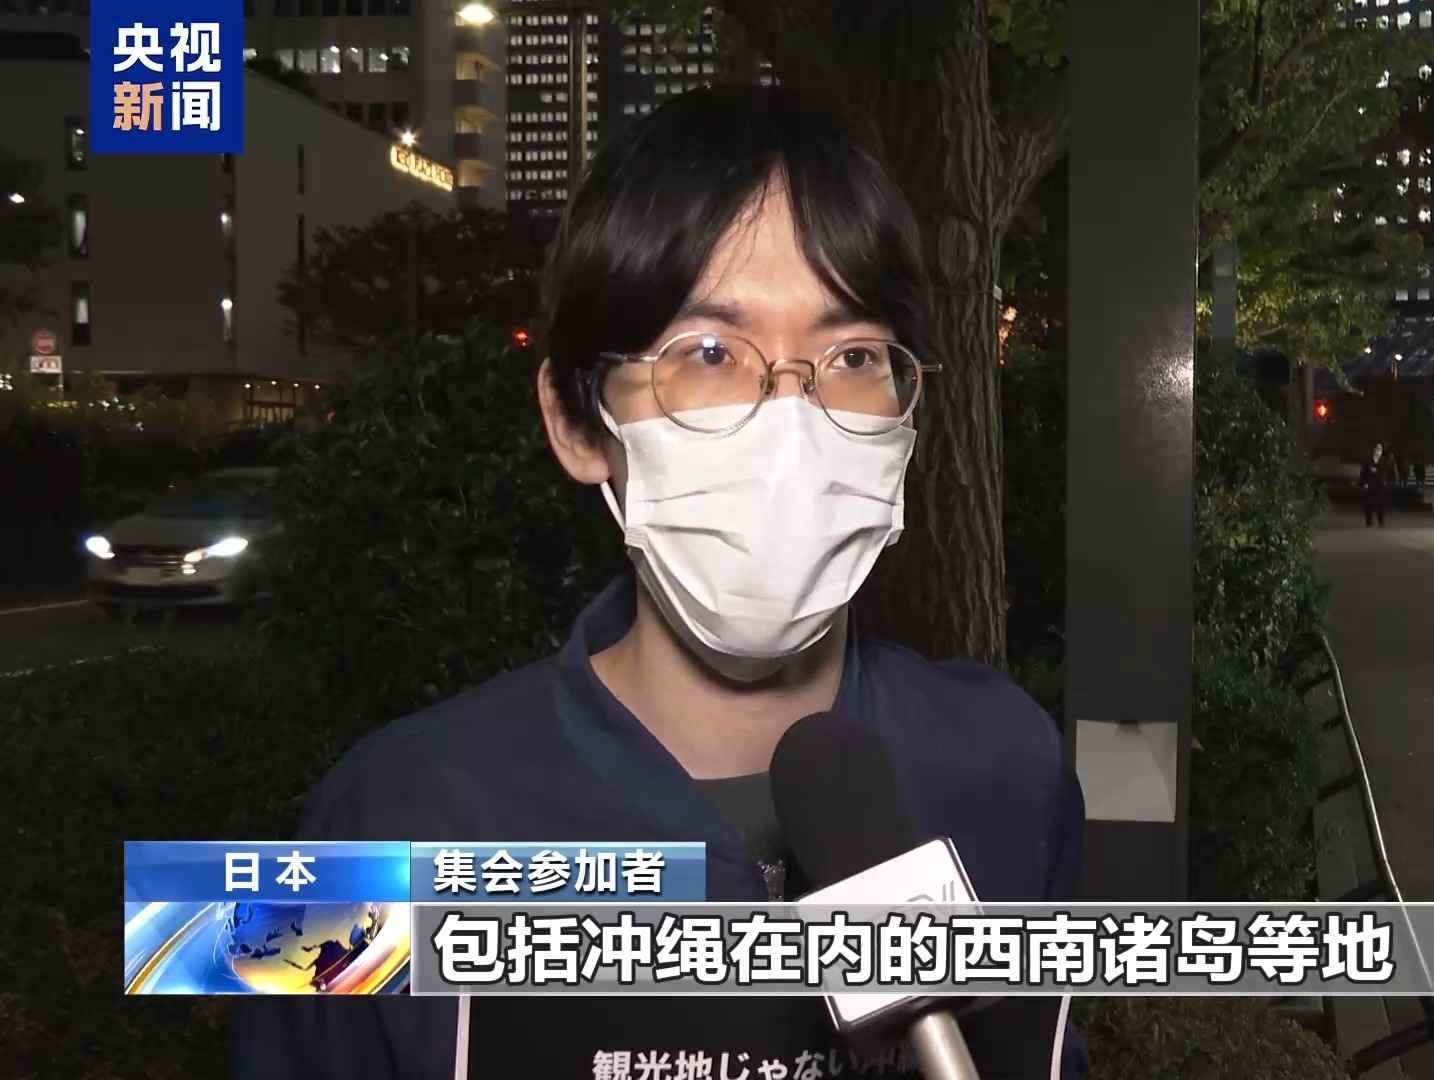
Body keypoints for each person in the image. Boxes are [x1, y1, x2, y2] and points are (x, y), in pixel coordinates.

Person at [232, 83, 1088, 1080]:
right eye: (710, 352)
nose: (792, 420)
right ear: (576, 423)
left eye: (853, 353)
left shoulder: (1008, 764)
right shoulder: (384, 823)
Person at [1359, 443, 1388, 527]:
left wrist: (1378, 471)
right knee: (1368, 504)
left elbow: (1384, 472)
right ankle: (1369, 522)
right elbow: (1363, 473)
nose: (1378, 452)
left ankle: (1381, 522)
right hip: (1370, 484)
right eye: (1377, 449)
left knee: (1380, 504)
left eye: (1380, 450)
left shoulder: (1383, 461)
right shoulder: (1368, 461)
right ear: (1374, 450)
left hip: (1379, 485)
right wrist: (1365, 483)